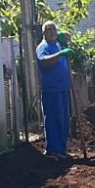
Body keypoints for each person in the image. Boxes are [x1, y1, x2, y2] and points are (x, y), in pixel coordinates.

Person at [36, 20, 72, 158]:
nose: (52, 32)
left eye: (54, 29)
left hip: (63, 88)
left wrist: (63, 38)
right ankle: (52, 149)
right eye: (49, 30)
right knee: (53, 119)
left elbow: (68, 36)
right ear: (43, 33)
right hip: (51, 90)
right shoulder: (43, 47)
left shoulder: (58, 44)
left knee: (63, 120)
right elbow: (44, 61)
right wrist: (61, 54)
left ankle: (62, 149)